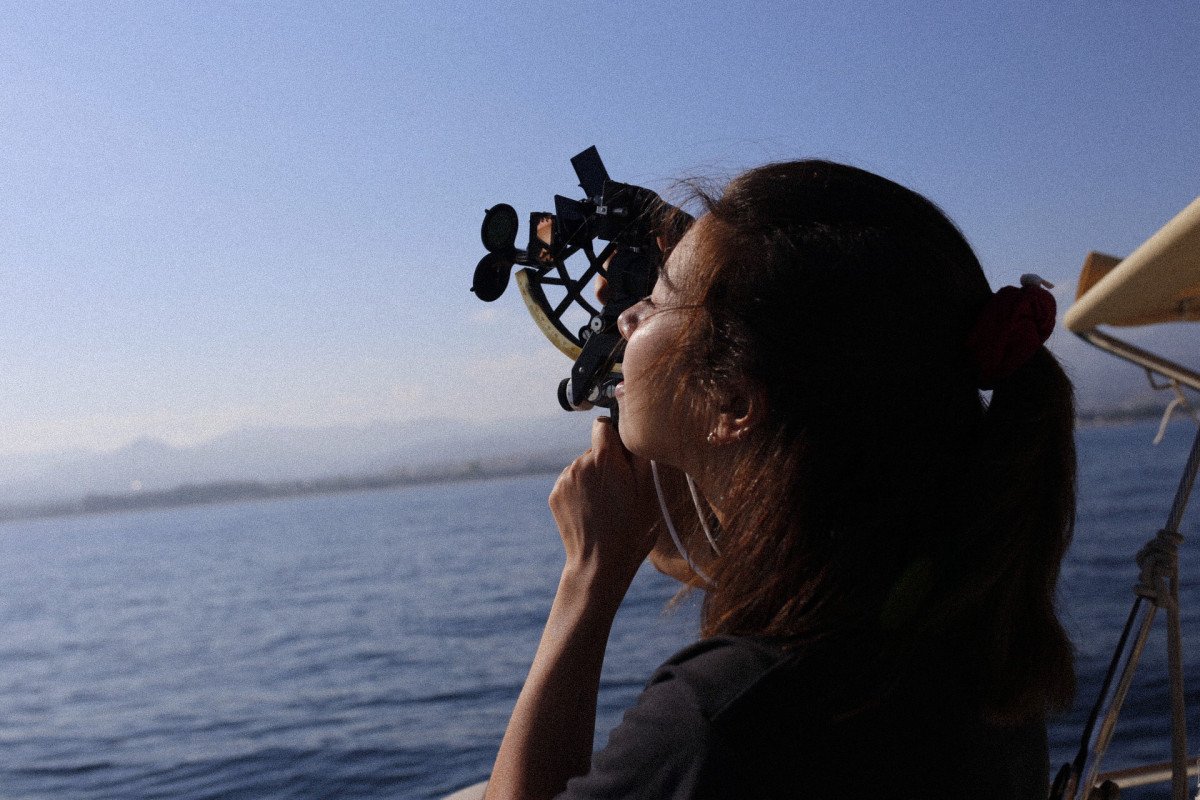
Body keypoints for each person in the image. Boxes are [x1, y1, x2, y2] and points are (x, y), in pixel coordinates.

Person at [482, 160, 1076, 799]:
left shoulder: (721, 721)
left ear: (737, 404)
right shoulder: (965, 650)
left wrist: (589, 579)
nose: (625, 318)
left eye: (654, 299)